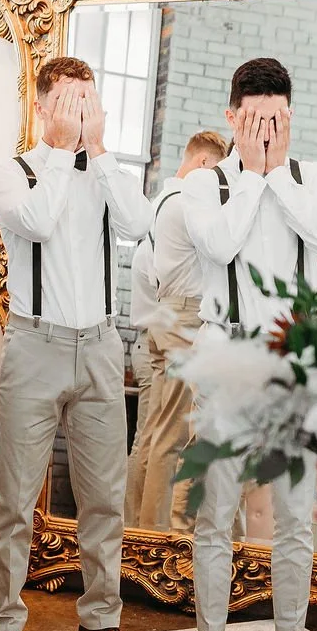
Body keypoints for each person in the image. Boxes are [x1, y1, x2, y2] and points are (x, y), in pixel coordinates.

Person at [0, 56, 153, 631]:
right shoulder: (10, 173)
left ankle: (101, 620)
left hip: (103, 347)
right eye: (71, 102)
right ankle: (5, 625)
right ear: (44, 107)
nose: (82, 114)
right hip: (34, 346)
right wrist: (58, 151)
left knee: (104, 495)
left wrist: (99, 151)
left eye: (91, 101)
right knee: (16, 497)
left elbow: (140, 224)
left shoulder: (108, 172)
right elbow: (36, 221)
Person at [177, 57, 317, 631]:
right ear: (232, 117)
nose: (267, 130)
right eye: (254, 119)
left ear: (291, 115)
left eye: (277, 118)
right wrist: (251, 175)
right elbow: (218, 246)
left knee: (296, 511)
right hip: (227, 356)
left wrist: (277, 176)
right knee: (217, 509)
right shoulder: (205, 185)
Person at [124, 129, 229, 531]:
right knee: (172, 436)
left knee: (152, 435)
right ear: (203, 163)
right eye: (217, 174)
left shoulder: (160, 203)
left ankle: (136, 532)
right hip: (184, 319)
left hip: (162, 316)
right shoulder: (187, 204)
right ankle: (155, 538)